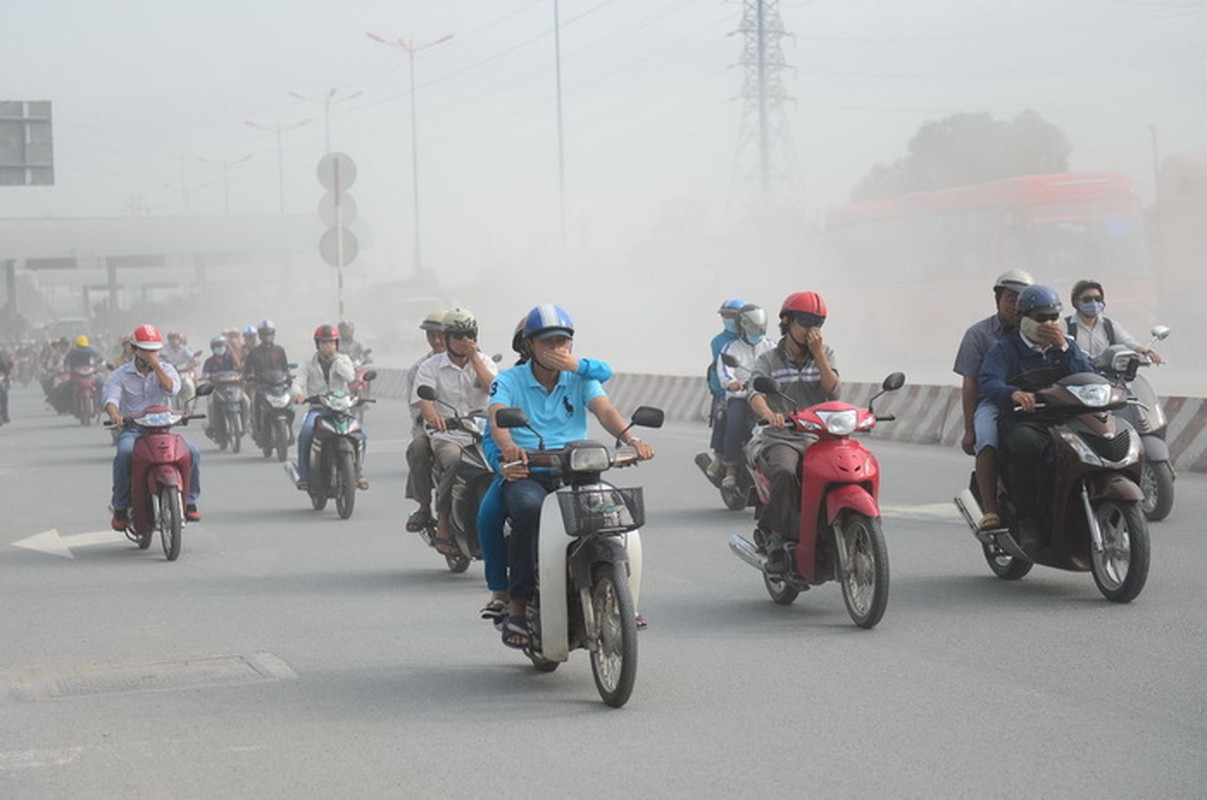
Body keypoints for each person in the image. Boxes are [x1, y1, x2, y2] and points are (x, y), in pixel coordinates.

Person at [486, 304, 655, 649]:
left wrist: (632, 440)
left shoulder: (581, 377)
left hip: (580, 471)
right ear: (529, 345)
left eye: (563, 341)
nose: (558, 348)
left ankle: (624, 600)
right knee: (528, 513)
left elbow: (605, 411)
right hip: (531, 473)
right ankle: (517, 606)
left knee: (613, 515)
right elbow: (498, 417)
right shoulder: (509, 380)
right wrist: (508, 449)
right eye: (548, 342)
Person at [979, 284, 1095, 552]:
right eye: (1041, 318)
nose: (1049, 324)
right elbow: (988, 381)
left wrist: (1064, 346)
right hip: (1026, 420)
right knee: (1024, 448)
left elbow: (1090, 376)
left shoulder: (1067, 347)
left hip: (1065, 417)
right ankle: (1028, 519)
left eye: (1054, 317)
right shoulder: (1005, 349)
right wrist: (1014, 394)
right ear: (1024, 318)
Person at [747, 292, 840, 574]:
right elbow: (754, 393)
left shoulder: (826, 354)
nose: (812, 330)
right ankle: (776, 539)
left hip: (819, 437)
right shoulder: (769, 360)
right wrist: (769, 415)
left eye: (818, 323)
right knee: (786, 473)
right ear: (786, 322)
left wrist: (819, 356)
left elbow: (834, 391)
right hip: (782, 436)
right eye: (805, 322)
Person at [411, 308, 498, 554]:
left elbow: (495, 389)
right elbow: (424, 399)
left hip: (482, 435)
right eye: (458, 336)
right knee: (455, 462)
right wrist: (433, 417)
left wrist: (475, 359)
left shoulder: (485, 362)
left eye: (469, 335)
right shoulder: (430, 366)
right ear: (447, 337)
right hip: (449, 435)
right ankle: (443, 521)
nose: (464, 341)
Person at [952, 268, 1034, 530]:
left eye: (1022, 300)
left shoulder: (1039, 331)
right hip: (994, 403)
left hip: (1038, 400)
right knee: (987, 440)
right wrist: (969, 429)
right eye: (1010, 299)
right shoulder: (979, 335)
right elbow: (971, 384)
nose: (1015, 306)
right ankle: (990, 510)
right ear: (997, 298)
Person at [102, 324, 203, 530]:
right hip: (134, 431)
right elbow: (111, 399)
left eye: (154, 349)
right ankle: (120, 507)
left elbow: (173, 390)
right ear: (133, 348)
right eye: (145, 349)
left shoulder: (166, 370)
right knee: (124, 453)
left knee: (192, 451)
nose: (150, 354)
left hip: (162, 430)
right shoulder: (120, 375)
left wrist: (155, 365)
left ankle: (190, 501)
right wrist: (116, 415)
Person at [292, 324, 369, 491]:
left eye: (332, 343)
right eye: (324, 343)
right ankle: (304, 475)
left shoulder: (343, 360)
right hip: (318, 410)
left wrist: (335, 360)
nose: (329, 346)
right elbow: (298, 381)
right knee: (305, 433)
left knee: (362, 434)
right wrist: (298, 394)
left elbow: (350, 377)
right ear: (317, 345)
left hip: (342, 409)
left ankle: (358, 472)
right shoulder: (308, 364)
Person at [716, 303, 773, 490]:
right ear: (742, 326)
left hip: (766, 397)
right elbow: (725, 371)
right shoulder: (730, 348)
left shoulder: (772, 347)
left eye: (759, 327)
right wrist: (731, 383)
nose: (756, 331)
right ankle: (730, 470)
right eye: (751, 327)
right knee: (734, 425)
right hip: (740, 396)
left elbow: (781, 368)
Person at [403, 309, 449, 533]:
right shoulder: (418, 369)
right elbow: (417, 407)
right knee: (418, 448)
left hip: (469, 428)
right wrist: (432, 416)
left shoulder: (473, 362)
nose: (436, 340)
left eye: (441, 334)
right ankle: (423, 506)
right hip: (433, 429)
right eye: (431, 335)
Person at [1064, 278, 1163, 364]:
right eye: (1087, 299)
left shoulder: (1109, 326)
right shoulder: (1065, 326)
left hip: (1106, 380)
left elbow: (1128, 343)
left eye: (1097, 298)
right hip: (1076, 380)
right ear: (1076, 302)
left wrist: (1146, 352)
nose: (1093, 303)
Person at [705, 298, 746, 478]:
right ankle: (720, 457)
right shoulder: (719, 342)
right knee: (723, 417)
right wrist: (725, 391)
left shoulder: (751, 339)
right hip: (726, 390)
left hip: (751, 390)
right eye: (725, 315)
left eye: (732, 315)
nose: (728, 319)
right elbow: (723, 369)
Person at [242, 319, 289, 437]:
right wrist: (249, 378)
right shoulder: (254, 352)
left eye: (269, 333)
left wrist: (288, 377)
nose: (267, 336)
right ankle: (258, 429)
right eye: (264, 333)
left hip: (279, 386)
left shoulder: (280, 350)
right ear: (260, 335)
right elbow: (247, 370)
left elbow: (285, 368)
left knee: (290, 402)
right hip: (263, 387)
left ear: (273, 334)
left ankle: (289, 426)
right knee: (255, 403)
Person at [199, 334, 247, 438]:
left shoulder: (230, 357)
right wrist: (205, 376)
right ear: (213, 348)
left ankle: (246, 423)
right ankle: (212, 425)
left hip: (234, 387)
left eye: (222, 346)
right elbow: (205, 373)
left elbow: (238, 365)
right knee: (211, 403)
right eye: (217, 346)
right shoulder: (209, 361)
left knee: (246, 401)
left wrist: (230, 349)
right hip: (217, 389)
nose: (220, 349)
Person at [51, 335, 102, 414]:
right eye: (80, 347)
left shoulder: (92, 352)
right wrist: (66, 369)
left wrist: (101, 366)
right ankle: (68, 406)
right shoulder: (72, 353)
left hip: (91, 375)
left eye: (84, 347)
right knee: (65, 388)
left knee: (103, 384)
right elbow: (66, 362)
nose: (82, 349)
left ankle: (101, 405)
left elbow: (100, 360)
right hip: (76, 376)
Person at [161, 331, 197, 410]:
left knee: (190, 386)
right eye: (172, 339)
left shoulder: (184, 349)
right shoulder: (165, 349)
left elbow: (191, 358)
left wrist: (193, 362)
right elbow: (162, 358)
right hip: (170, 374)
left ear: (179, 340)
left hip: (183, 372)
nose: (174, 341)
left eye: (176, 338)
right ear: (169, 340)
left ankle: (191, 404)